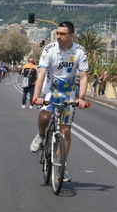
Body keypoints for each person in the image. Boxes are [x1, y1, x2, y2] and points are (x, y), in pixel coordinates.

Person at [30, 21, 89, 182]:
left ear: (71, 35)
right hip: (50, 89)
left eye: (63, 34)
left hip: (68, 91)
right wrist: (37, 97)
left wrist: (81, 98)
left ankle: (62, 165)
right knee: (45, 116)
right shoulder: (49, 49)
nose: (59, 37)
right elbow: (41, 75)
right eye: (57, 33)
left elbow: (83, 76)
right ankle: (41, 136)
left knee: (66, 131)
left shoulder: (79, 51)